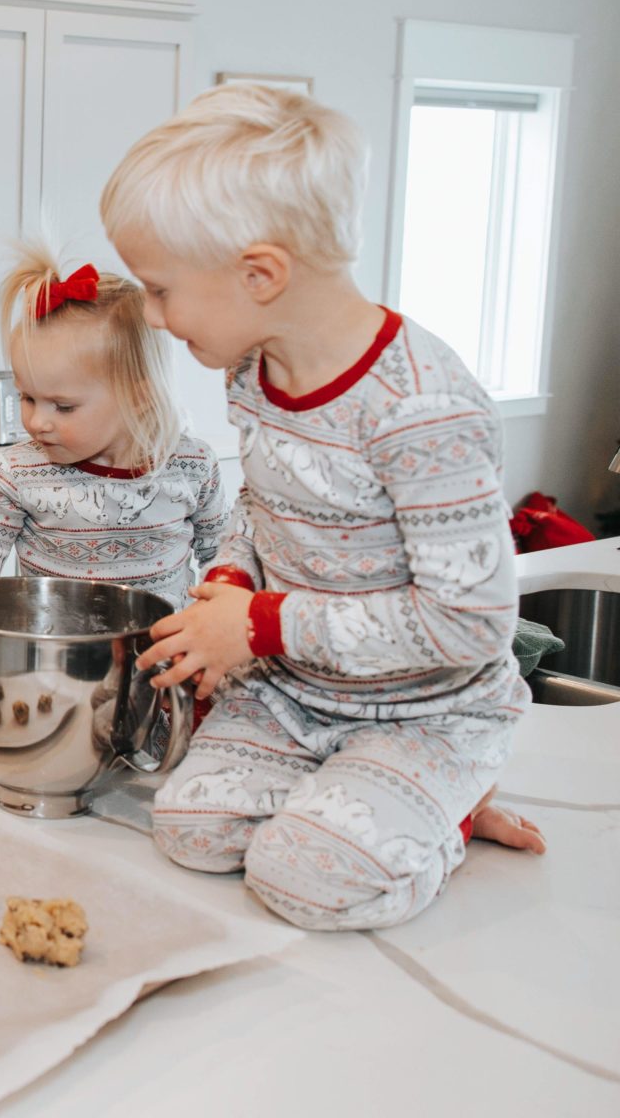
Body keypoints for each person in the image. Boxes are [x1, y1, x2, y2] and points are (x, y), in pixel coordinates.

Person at [102, 83, 541, 932]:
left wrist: (261, 626)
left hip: (430, 709)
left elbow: (470, 625)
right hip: (295, 695)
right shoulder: (250, 372)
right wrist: (230, 581)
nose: (153, 318)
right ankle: (367, 799)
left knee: (300, 880)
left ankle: (448, 802)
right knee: (189, 829)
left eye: (160, 291)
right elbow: (262, 510)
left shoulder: (421, 410)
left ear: (259, 274)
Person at [0, 243, 229, 609]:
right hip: (50, 661)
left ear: (139, 397)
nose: (37, 422)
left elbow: (222, 562)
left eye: (63, 407)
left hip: (160, 660)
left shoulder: (193, 466)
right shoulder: (18, 471)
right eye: (27, 398)